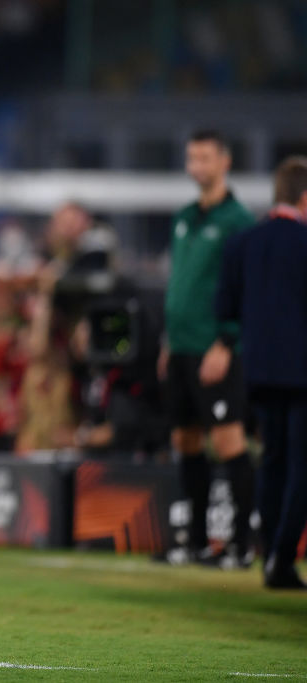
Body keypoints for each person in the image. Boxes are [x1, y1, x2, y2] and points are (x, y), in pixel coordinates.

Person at [159, 130, 255, 568]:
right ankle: (195, 540)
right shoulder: (183, 216)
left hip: (214, 348)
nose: (196, 166)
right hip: (180, 347)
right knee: (186, 439)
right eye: (191, 157)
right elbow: (179, 284)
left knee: (229, 441)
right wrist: (167, 340)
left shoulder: (238, 222)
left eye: (204, 158)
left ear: (224, 162)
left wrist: (226, 341)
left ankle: (239, 544)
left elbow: (246, 289)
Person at [216, 156, 307, 590]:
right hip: (303, 373)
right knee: (301, 468)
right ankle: (281, 558)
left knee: (272, 461)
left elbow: (225, 310)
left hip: (259, 370)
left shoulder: (242, 243)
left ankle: (270, 550)